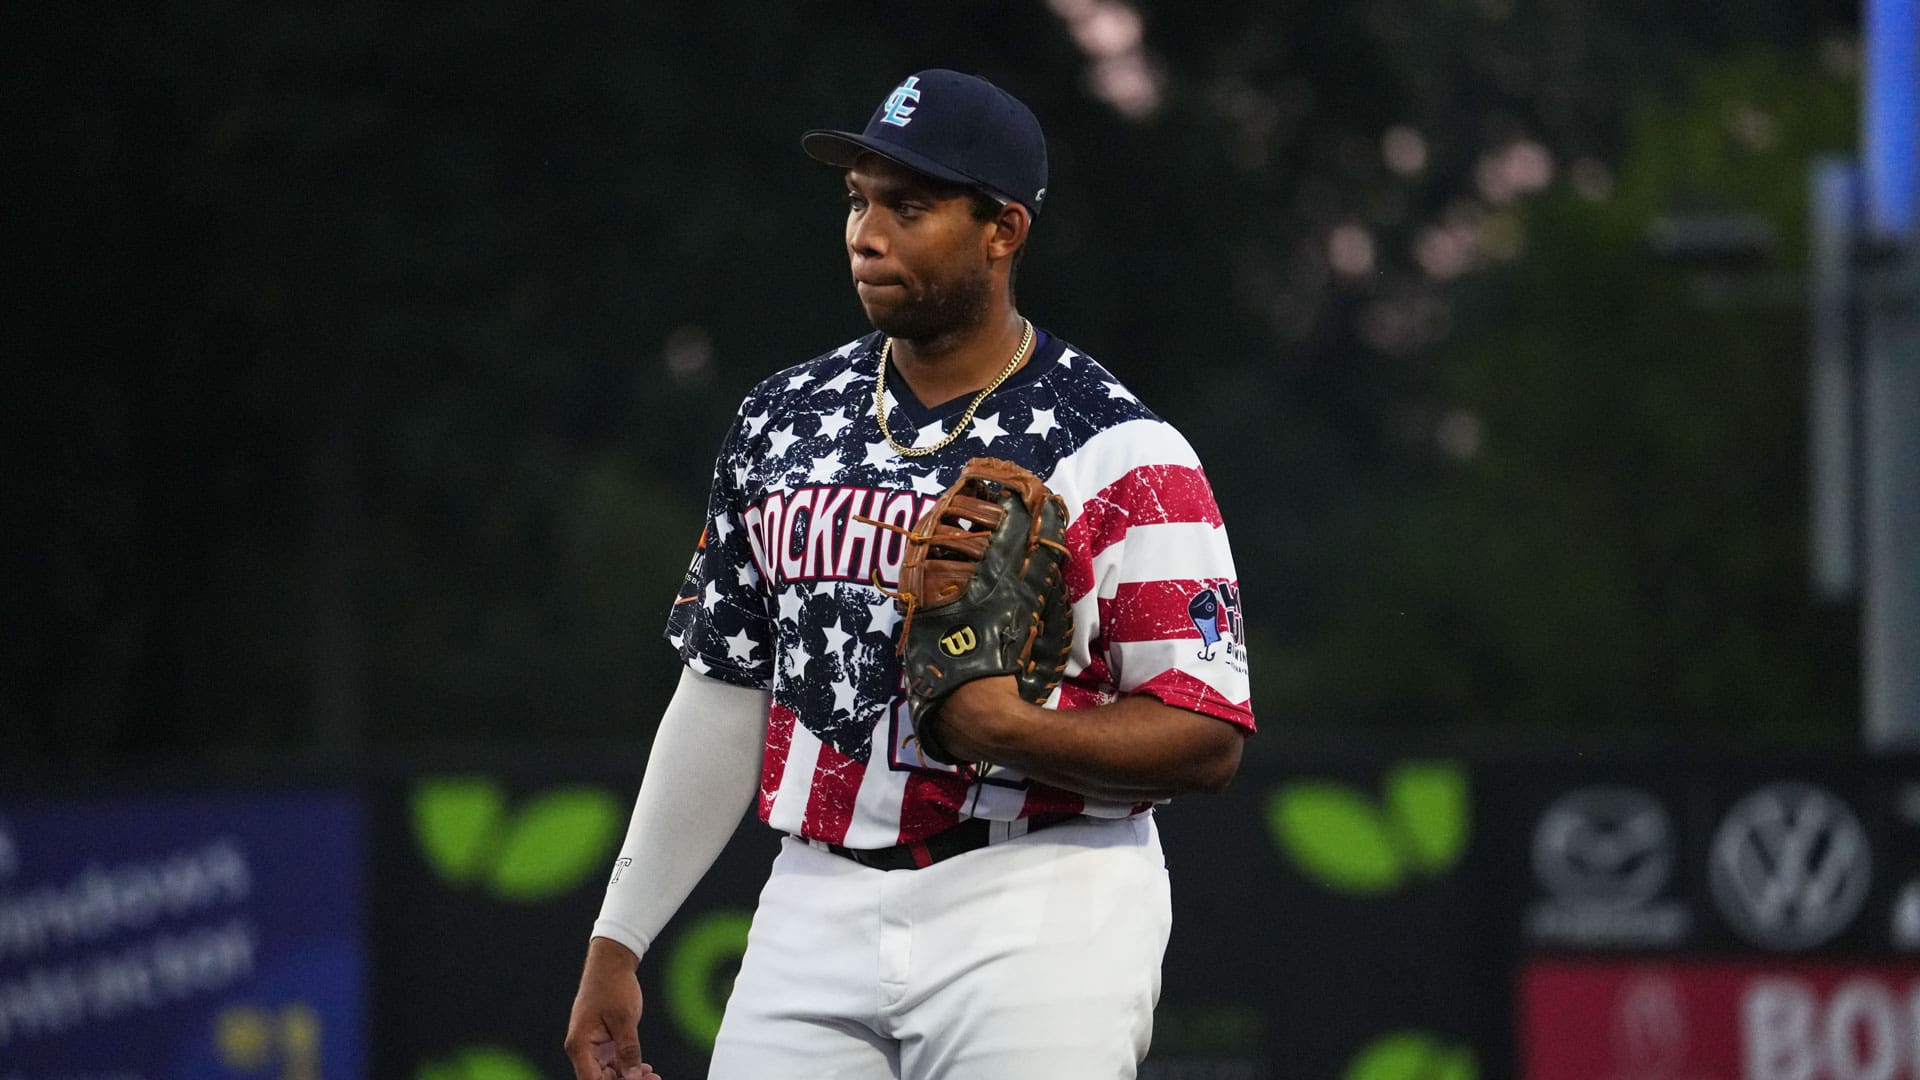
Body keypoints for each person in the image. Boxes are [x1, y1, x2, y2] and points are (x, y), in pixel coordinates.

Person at [564, 68, 1255, 1080]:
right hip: (812, 898)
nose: (867, 232)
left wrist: (1013, 732)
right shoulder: (782, 422)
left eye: (912, 205)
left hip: (1038, 898)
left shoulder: (1120, 449)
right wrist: (619, 938)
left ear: (1003, 230)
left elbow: (1207, 732)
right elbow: (723, 694)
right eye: (859, 199)